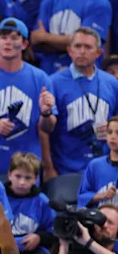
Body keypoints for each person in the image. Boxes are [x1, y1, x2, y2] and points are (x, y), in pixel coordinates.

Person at [0, 18, 57, 176]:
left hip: (26, 170)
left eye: (14, 38)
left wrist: (46, 113)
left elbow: (48, 127)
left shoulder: (40, 79)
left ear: (24, 44)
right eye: (3, 37)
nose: (8, 42)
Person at [45, 28, 118, 178]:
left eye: (88, 47)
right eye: (78, 46)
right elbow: (44, 130)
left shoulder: (112, 84)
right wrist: (48, 168)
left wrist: (112, 127)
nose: (82, 51)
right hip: (65, 169)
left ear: (98, 52)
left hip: (106, 167)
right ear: (69, 50)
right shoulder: (53, 82)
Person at [77, 116, 118, 207]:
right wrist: (102, 195)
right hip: (99, 214)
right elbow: (82, 197)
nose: (113, 137)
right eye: (109, 132)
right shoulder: (95, 165)